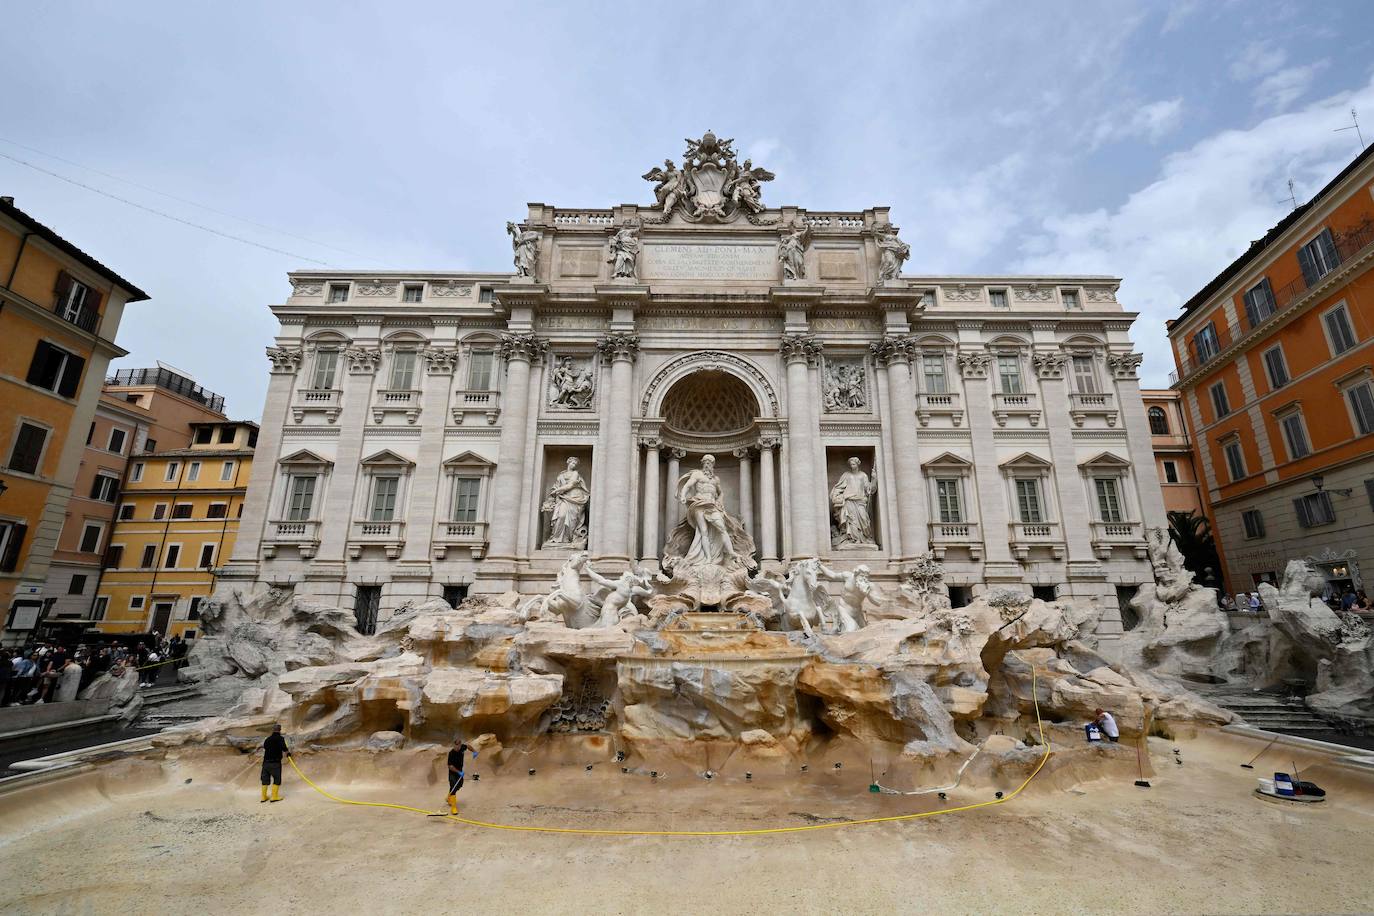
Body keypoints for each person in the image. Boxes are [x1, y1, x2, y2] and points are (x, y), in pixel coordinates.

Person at [444, 736, 478, 815]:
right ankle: (453, 808)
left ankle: (449, 797)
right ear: (454, 745)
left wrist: (474, 751)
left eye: (458, 746)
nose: (457, 747)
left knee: (459, 785)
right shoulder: (451, 753)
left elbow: (468, 746)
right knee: (453, 786)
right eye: (456, 746)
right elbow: (450, 766)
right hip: (453, 772)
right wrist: (458, 772)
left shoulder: (462, 747)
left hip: (460, 771)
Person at [260, 723, 292, 803]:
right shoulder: (280, 738)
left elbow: (265, 747)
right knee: (277, 779)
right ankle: (274, 797)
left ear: (273, 730)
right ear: (280, 730)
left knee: (265, 779)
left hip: (265, 763)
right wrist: (288, 753)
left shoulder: (267, 739)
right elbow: (284, 747)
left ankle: (263, 797)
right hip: (275, 763)